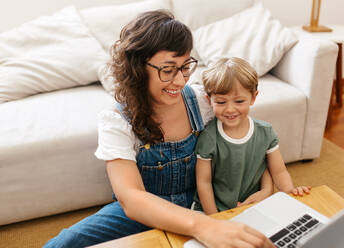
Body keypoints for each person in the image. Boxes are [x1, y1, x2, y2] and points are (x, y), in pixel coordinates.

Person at [43, 10, 275, 248]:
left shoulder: (202, 102)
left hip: (204, 199)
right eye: (168, 69)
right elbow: (131, 199)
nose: (180, 80)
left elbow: (249, 141)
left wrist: (266, 188)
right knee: (64, 243)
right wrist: (203, 225)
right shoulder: (116, 121)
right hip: (145, 210)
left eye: (185, 66)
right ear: (139, 67)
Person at [192, 57, 311, 215]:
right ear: (209, 101)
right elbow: (203, 182)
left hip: (252, 205)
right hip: (213, 209)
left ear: (253, 98)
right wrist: (215, 218)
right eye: (221, 102)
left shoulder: (265, 132)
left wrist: (290, 193)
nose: (229, 109)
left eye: (239, 101)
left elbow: (279, 172)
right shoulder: (208, 137)